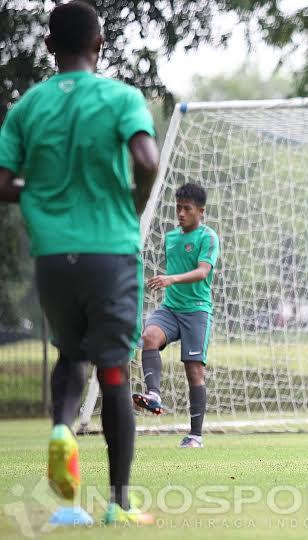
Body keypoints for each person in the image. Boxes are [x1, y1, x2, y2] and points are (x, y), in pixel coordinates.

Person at [0, 0, 158, 524]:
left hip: (52, 257)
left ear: (48, 47)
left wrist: (39, 191)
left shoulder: (25, 108)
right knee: (113, 367)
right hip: (109, 250)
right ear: (99, 44)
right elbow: (146, 160)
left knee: (68, 353)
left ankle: (63, 436)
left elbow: (3, 183)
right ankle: (118, 502)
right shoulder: (120, 98)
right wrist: (131, 204)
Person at [132, 183, 220, 449]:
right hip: (170, 309)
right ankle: (154, 395)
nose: (180, 213)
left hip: (197, 311)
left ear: (200, 211)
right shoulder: (171, 238)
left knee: (194, 370)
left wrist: (171, 279)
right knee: (149, 336)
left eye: (187, 209)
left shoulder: (208, 237)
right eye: (178, 208)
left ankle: (195, 436)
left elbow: (203, 272)